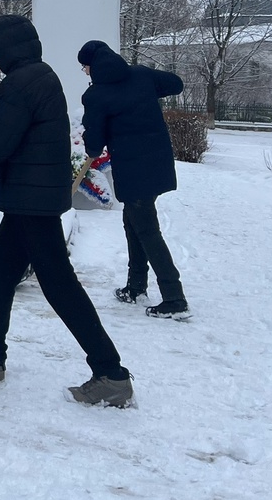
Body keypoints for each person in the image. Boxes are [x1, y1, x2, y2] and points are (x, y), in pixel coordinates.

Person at [0, 15, 134, 408]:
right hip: (29, 198)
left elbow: (0, 144)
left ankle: (111, 373)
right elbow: (15, 134)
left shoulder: (19, 82)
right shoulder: (40, 75)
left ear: (5, 49)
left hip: (30, 201)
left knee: (59, 284)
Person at [78, 39, 190, 319]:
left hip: (132, 167)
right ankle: (135, 286)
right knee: (133, 222)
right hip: (157, 161)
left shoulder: (97, 95)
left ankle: (174, 298)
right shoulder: (142, 75)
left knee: (147, 230)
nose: (85, 73)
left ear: (91, 66)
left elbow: (95, 139)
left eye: (84, 68)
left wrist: (91, 149)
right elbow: (175, 84)